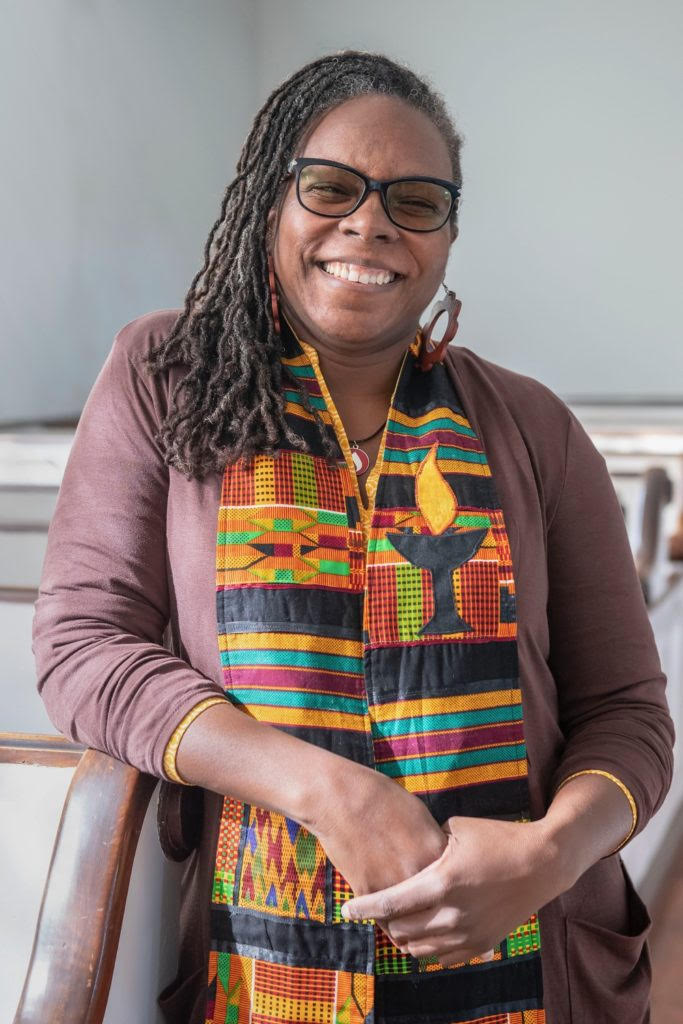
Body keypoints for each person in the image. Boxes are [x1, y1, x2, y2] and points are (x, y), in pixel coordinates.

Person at [33, 51, 674, 1024]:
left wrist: (546, 855)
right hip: (263, 967)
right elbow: (83, 646)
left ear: (447, 236)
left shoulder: (533, 426)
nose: (368, 221)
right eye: (330, 186)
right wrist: (324, 789)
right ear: (267, 202)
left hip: (528, 966)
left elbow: (628, 714)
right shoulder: (165, 378)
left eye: (413, 201)